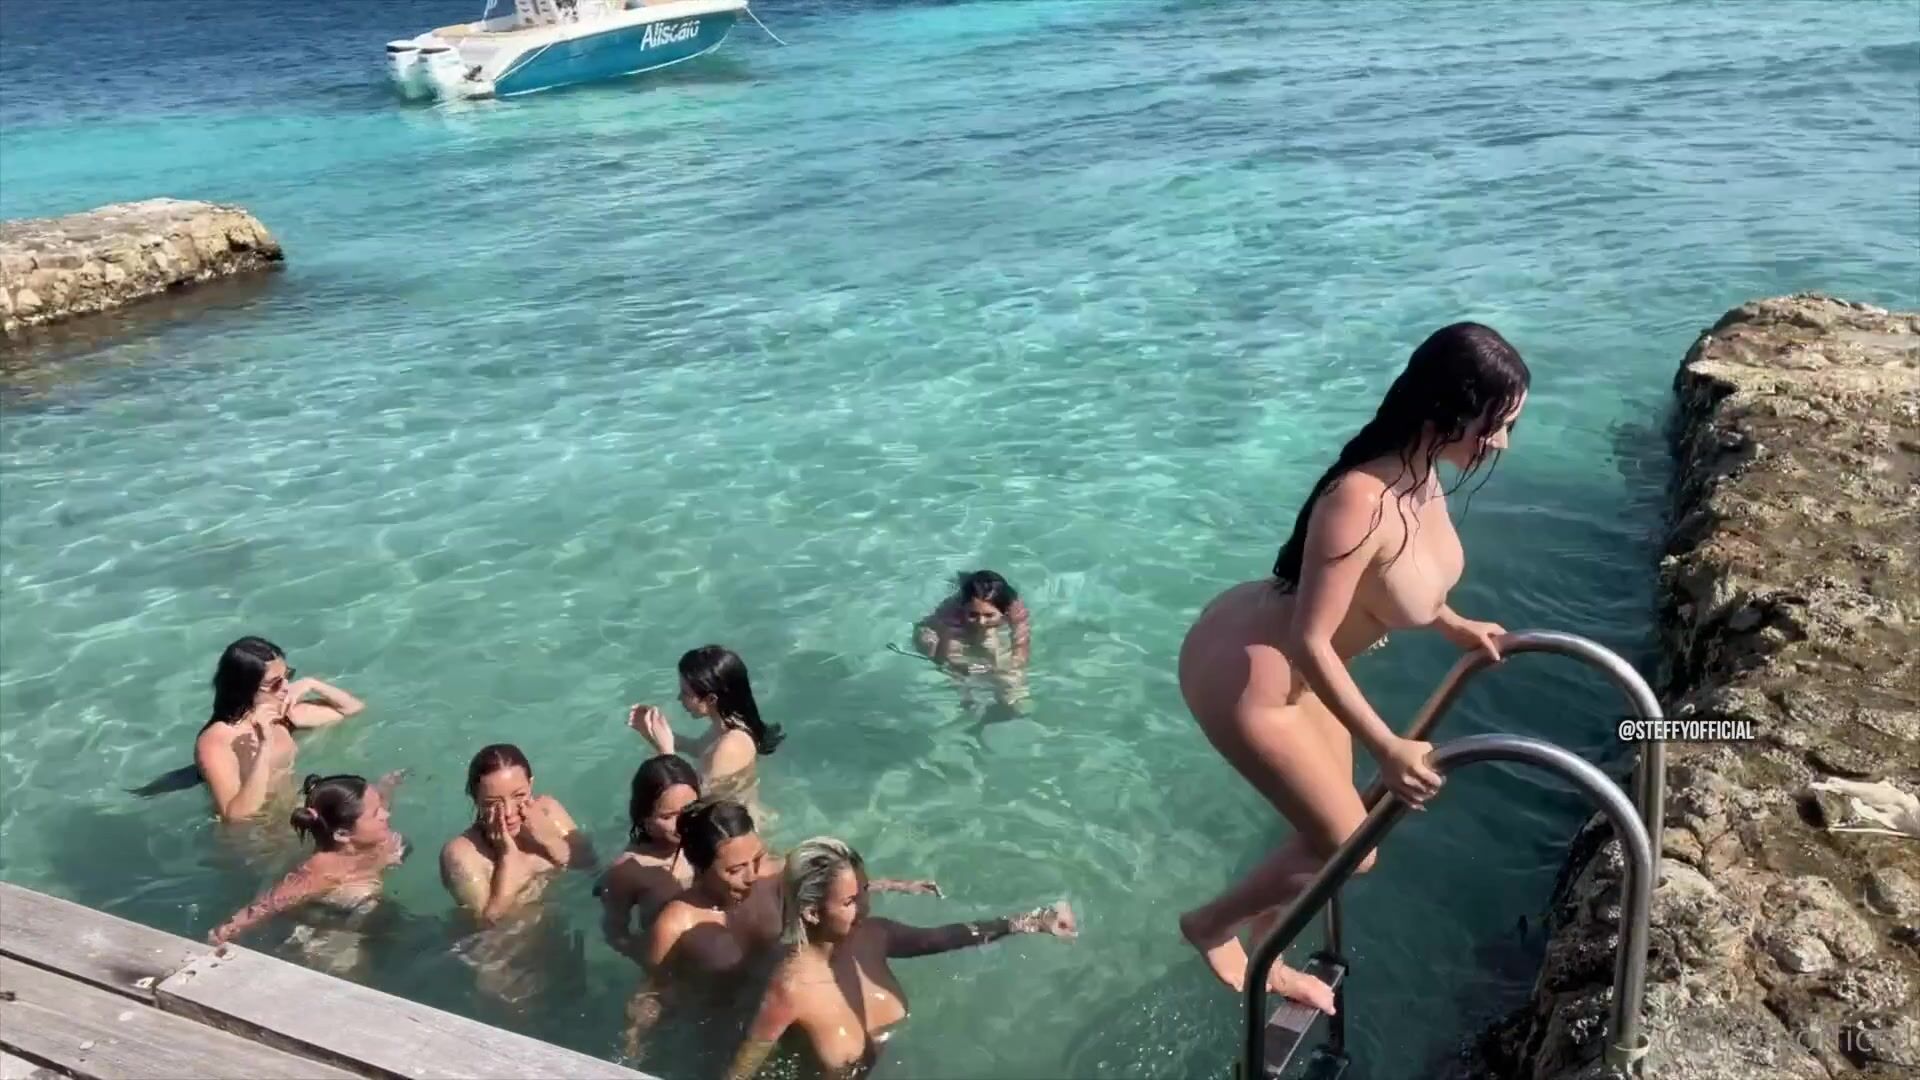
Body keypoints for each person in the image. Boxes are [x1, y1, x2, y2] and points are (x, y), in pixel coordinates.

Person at [1175, 322, 1529, 1000]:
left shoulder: (1421, 476)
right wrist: (1389, 746)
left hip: (1293, 670)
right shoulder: (1358, 500)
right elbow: (1310, 639)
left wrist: (1452, 622)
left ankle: (1269, 947)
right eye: (1496, 424)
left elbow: (1395, 579)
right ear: (1449, 409)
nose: (1502, 443)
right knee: (1350, 848)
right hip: (1250, 680)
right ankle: (1210, 927)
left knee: (1326, 832)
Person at [722, 837, 1075, 1080]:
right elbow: (742, 1072)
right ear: (812, 912)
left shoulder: (874, 936)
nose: (865, 907)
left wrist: (1026, 923)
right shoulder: (790, 990)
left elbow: (943, 937)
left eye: (864, 892)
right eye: (850, 902)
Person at [624, 801, 938, 1056]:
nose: (752, 875)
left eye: (756, 859)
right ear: (700, 867)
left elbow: (830, 890)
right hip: (726, 1021)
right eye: (735, 869)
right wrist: (634, 1042)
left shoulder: (774, 875)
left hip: (788, 1006)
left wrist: (896, 885)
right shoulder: (676, 924)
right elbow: (653, 989)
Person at [208, 772, 406, 946]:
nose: (386, 814)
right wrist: (228, 929)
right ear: (342, 834)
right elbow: (270, 904)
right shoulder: (322, 871)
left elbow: (379, 804)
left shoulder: (374, 837)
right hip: (329, 925)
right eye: (376, 814)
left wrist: (386, 786)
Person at [192, 636, 366, 822]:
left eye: (287, 676)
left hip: (297, 812)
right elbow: (235, 817)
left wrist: (311, 684)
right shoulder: (216, 741)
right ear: (244, 688)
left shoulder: (281, 714)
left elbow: (352, 709)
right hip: (261, 829)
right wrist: (264, 745)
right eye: (275, 683)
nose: (286, 687)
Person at [440, 744, 596, 926]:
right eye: (493, 803)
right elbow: (483, 932)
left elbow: (592, 870)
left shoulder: (549, 812)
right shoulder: (462, 855)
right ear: (476, 799)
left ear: (531, 784)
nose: (508, 811)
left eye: (519, 795)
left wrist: (549, 841)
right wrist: (507, 867)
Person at [629, 646, 784, 805]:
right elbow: (698, 749)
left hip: (725, 820)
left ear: (711, 699)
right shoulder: (726, 727)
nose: (679, 698)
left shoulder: (731, 746)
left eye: (686, 693)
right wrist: (655, 733)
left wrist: (666, 752)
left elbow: (693, 804)